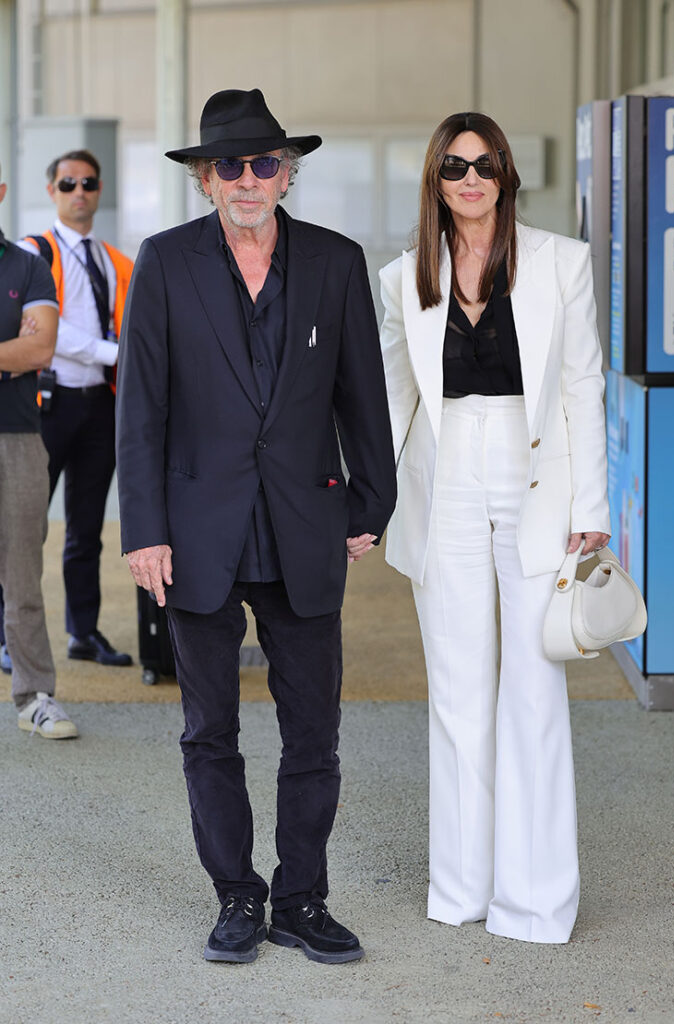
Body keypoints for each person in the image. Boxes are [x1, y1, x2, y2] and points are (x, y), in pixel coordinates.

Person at [116, 88, 396, 964]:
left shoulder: (335, 262)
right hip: (196, 530)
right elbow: (143, 411)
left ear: (286, 175)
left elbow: (362, 396)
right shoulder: (163, 264)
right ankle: (237, 893)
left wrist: (369, 502)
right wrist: (143, 529)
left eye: (264, 163)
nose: (247, 179)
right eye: (229, 165)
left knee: (314, 729)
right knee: (210, 730)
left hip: (304, 525)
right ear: (205, 181)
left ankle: (302, 900)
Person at [379, 112, 610, 944]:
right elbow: (393, 401)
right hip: (445, 484)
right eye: (453, 166)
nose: (469, 179)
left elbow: (584, 386)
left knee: (532, 691)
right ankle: (462, 887)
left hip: (534, 473)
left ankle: (537, 901)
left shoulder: (562, 262)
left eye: (483, 164)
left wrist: (592, 509)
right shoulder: (403, 275)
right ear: (434, 181)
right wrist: (366, 503)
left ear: (506, 174)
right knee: (456, 692)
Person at [0, 149, 134, 670]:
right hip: (47, 405)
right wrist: (108, 351)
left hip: (100, 403)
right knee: (20, 528)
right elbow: (51, 339)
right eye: (68, 183)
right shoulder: (36, 254)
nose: (80, 191)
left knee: (87, 528)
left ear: (99, 191)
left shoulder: (113, 259)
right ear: (52, 191)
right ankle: (9, 637)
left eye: (89, 182)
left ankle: (84, 631)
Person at [0, 161, 78, 738]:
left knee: (23, 574)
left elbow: (39, 349)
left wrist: (21, 350)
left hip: (18, 439)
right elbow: (18, 349)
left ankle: (34, 697)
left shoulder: (27, 267)